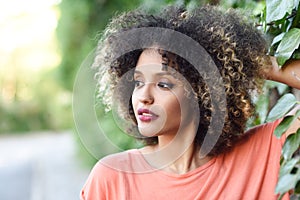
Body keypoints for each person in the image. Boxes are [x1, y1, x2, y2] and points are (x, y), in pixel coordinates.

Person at [80, 5, 300, 200]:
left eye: (163, 84)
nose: (144, 95)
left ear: (202, 93)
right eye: (138, 82)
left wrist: (251, 64)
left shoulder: (262, 152)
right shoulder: (112, 178)